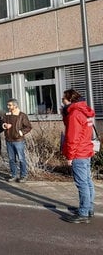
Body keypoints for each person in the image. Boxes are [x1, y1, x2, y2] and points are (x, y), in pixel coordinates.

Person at [61, 89, 96, 223]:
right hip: (86, 149)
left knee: (82, 184)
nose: (62, 101)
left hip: (78, 152)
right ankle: (88, 208)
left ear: (69, 99)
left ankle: (83, 213)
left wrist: (70, 156)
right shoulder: (84, 111)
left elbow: (72, 138)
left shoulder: (74, 114)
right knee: (87, 182)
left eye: (63, 99)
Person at [2, 98, 32, 183]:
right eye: (8, 105)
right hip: (9, 139)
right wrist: (4, 125)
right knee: (11, 159)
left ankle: (23, 175)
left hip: (18, 140)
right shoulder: (7, 114)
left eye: (9, 105)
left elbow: (28, 127)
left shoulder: (22, 115)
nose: (8, 106)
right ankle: (14, 175)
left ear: (15, 106)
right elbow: (2, 122)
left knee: (21, 158)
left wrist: (20, 133)